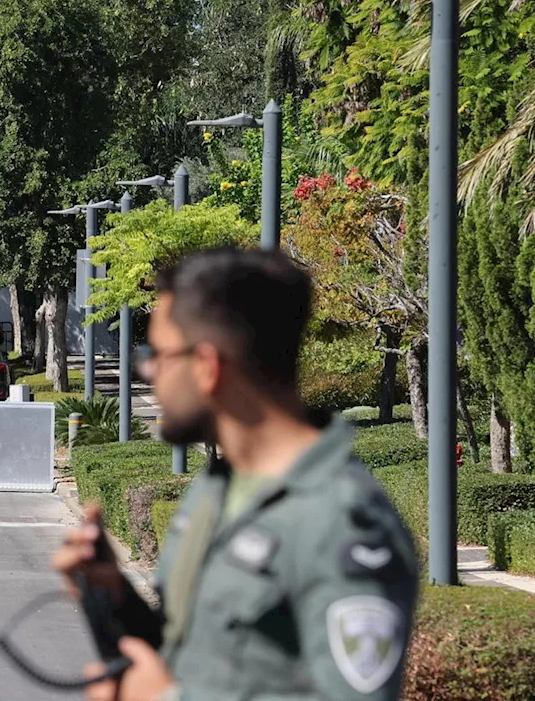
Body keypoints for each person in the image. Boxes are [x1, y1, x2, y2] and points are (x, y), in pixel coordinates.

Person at [53, 248, 417, 701]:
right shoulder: (219, 485)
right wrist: (112, 596)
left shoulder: (344, 523)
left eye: (159, 356)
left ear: (207, 366)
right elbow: (191, 659)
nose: (150, 374)